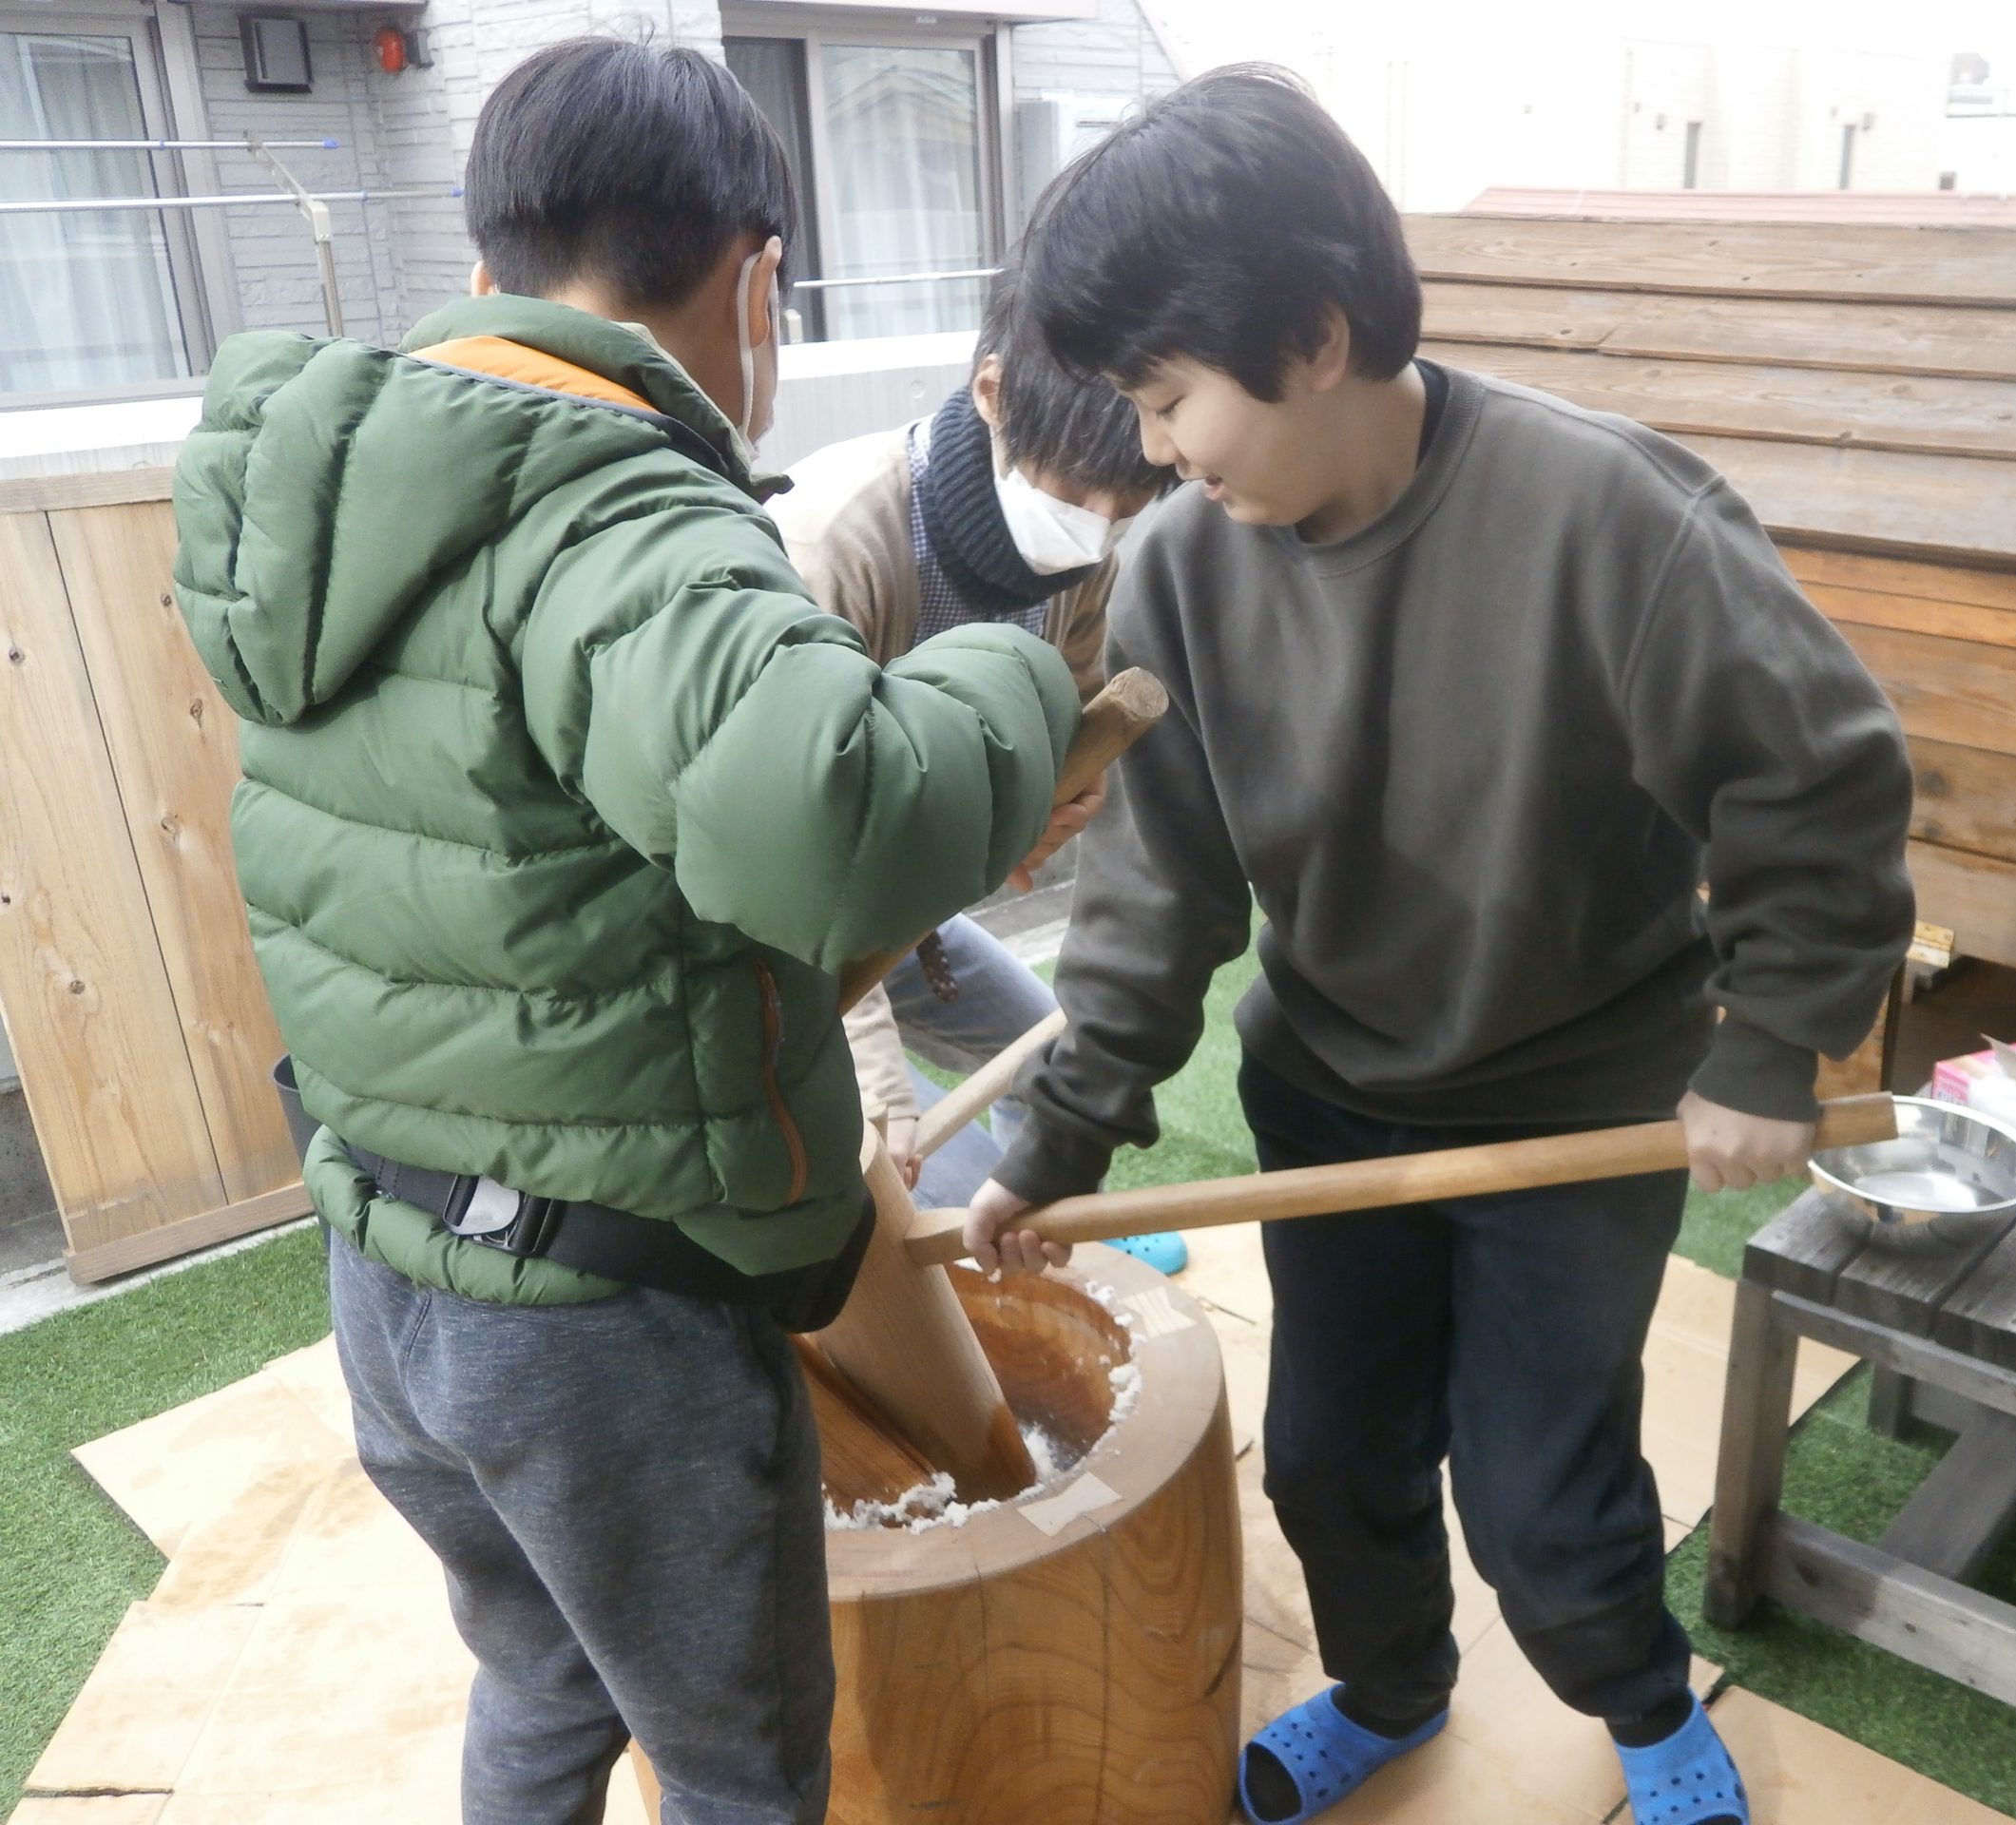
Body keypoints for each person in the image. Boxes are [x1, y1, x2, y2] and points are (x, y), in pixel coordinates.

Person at [963, 66, 1914, 1825]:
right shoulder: (1177, 569)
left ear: (1315, 334)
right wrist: (1064, 1129)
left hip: (1580, 1108)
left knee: (1544, 1498)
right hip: (1334, 1088)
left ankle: (1642, 1713)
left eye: (1172, 399)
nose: (1157, 449)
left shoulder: (1615, 523)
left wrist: (1772, 1038)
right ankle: (1393, 1692)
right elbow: (1158, 889)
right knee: (1332, 1464)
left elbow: (1821, 781)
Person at [171, 38, 1079, 1825]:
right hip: (597, 1317)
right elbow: (841, 819)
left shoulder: (344, 493)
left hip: (387, 1258)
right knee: (738, 1767)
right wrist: (1006, 670)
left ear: (484, 243)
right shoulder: (614, 504)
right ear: (754, 279)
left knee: (544, 1679)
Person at [770, 273, 1189, 1273]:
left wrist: (1059, 798)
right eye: (1073, 493)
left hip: (908, 906)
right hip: (777, 933)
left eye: (1121, 505)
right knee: (899, 1180)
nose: (1092, 528)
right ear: (993, 394)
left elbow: (1073, 709)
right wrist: (873, 1088)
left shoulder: (1082, 561)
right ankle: (966, 1260)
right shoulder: (841, 543)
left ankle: (1032, 1215)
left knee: (1048, 1053)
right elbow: (797, 864)